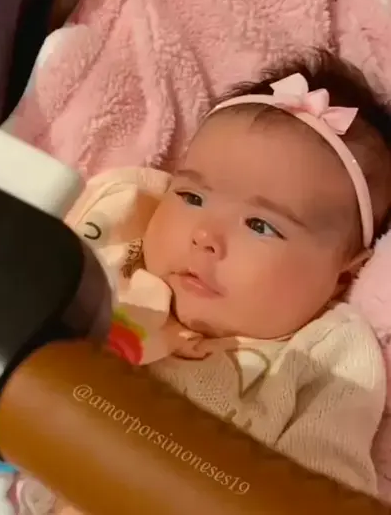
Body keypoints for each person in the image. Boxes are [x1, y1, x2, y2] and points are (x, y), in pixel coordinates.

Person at [58, 50, 391, 513]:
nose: (205, 236)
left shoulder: (328, 355)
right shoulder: (118, 252)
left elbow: (325, 491)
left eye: (260, 225)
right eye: (192, 197)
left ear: (343, 276)